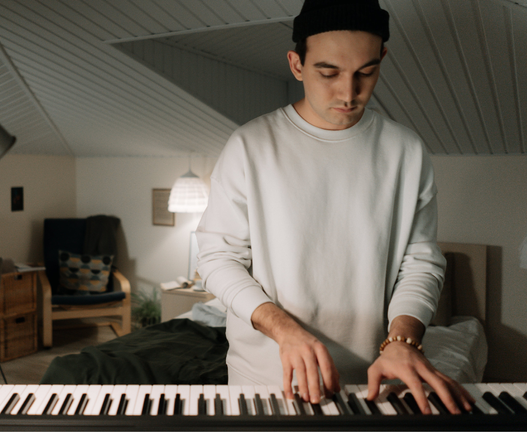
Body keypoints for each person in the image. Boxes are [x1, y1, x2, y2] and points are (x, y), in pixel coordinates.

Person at [195, 0, 474, 415]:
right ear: (296, 64)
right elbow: (217, 258)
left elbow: (420, 263)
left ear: (382, 58)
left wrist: (402, 341)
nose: (348, 93)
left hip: (375, 380)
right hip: (264, 380)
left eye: (366, 72)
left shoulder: (406, 151)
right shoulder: (250, 146)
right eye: (328, 73)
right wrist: (286, 330)